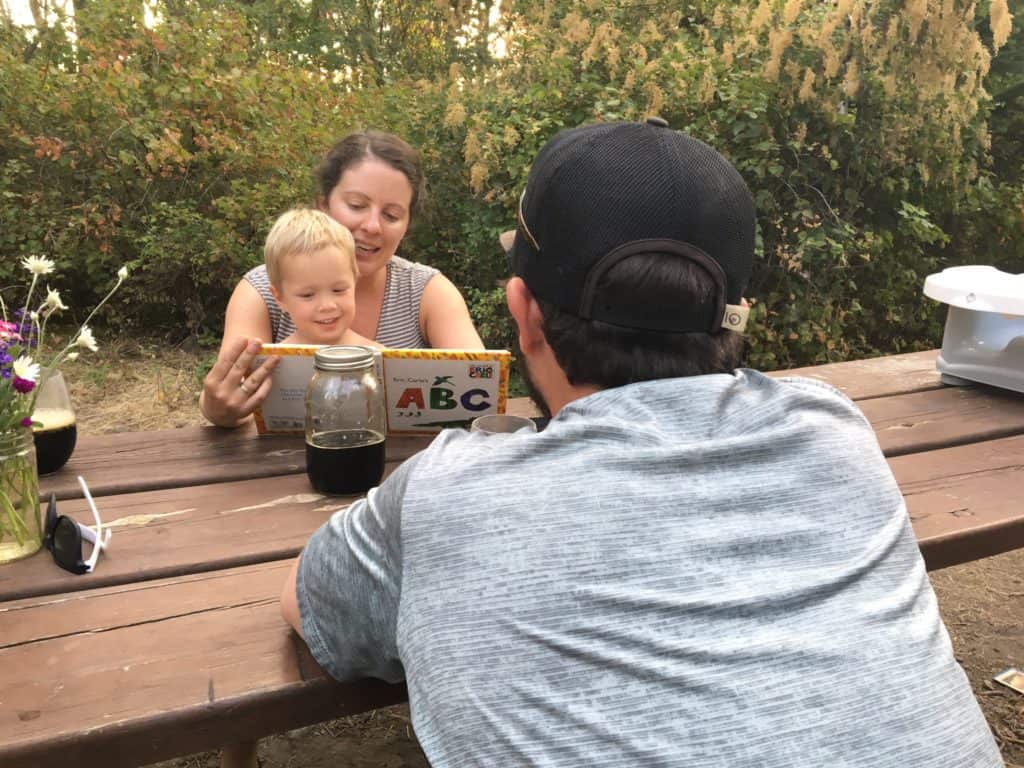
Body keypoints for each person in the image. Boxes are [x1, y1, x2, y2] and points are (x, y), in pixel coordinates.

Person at [279, 119, 1003, 766]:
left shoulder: (449, 488)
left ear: (523, 313)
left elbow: (307, 607)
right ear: (735, 318)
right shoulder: (835, 432)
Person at [201, 130, 483, 427]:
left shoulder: (429, 291)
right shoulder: (259, 292)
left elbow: (479, 390)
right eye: (357, 205)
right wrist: (218, 407)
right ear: (324, 205)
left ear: (407, 224)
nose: (372, 226)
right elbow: (227, 395)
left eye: (391, 214)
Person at [262, 207, 376, 347]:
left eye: (338, 290)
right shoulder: (275, 363)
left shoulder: (380, 357)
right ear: (280, 298)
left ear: (354, 282)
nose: (327, 306)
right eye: (308, 295)